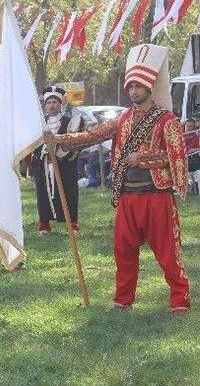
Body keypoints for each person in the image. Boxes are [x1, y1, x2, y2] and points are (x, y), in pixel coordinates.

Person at [46, 44, 190, 314]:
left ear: (149, 87)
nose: (134, 91)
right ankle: (123, 300)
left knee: (168, 251)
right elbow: (94, 135)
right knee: (123, 251)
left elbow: (177, 158)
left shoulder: (167, 120)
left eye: (139, 86)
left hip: (156, 195)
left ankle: (179, 300)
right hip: (127, 195)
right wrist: (60, 139)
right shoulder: (122, 118)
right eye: (131, 86)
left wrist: (144, 160)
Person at [32, 86, 85, 234]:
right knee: (43, 193)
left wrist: (60, 150)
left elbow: (73, 141)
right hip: (44, 164)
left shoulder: (69, 120)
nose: (52, 105)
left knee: (69, 192)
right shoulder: (40, 122)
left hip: (64, 165)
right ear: (45, 105)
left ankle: (72, 223)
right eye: (49, 103)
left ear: (60, 103)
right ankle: (44, 224)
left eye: (55, 102)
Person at [184, 119, 200, 195]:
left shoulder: (197, 135)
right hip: (184, 160)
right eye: (187, 126)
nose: (188, 127)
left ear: (194, 126)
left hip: (194, 161)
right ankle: (184, 192)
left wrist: (192, 150)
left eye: (191, 126)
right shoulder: (182, 135)